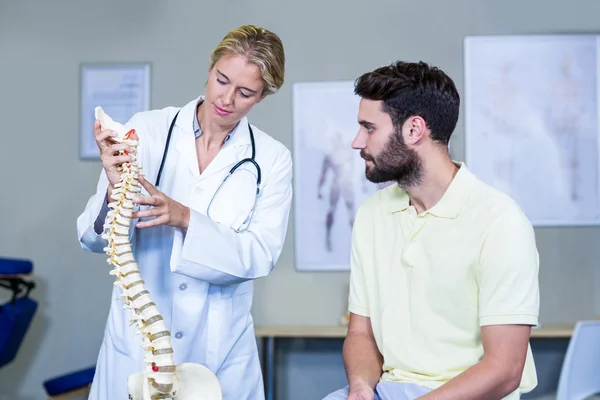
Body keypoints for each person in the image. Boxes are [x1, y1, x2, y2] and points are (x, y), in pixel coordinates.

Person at [76, 24, 292, 400]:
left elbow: (259, 255)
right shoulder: (146, 131)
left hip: (219, 352)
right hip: (137, 343)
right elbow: (93, 240)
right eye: (221, 80)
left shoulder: (272, 160)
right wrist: (114, 191)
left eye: (245, 92)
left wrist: (185, 218)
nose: (226, 98)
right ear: (210, 68)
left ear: (263, 96)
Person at [323, 61, 540, 400]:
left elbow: (505, 370)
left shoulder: (501, 222)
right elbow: (361, 333)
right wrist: (362, 386)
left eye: (368, 128)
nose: (356, 142)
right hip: (389, 390)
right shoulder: (371, 216)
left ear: (414, 130)